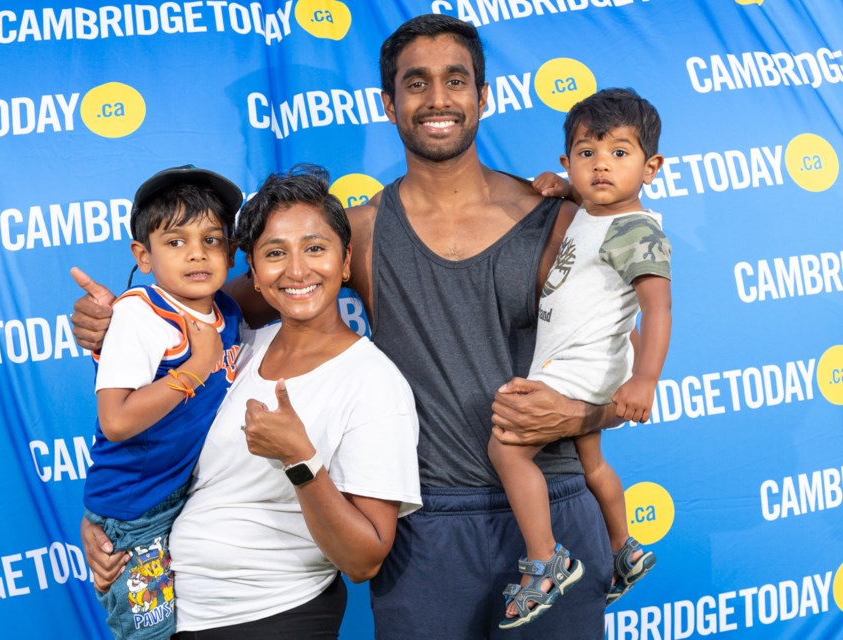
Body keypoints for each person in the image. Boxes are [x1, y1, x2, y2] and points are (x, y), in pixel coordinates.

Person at [72, 14, 620, 640]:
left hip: (549, 515)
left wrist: (579, 418)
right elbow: (204, 304)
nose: (437, 99)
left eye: (455, 80)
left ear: (483, 96)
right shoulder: (354, 231)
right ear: (389, 102)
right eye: (416, 83)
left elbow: (620, 366)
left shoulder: (554, 218)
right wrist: (116, 320)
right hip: (427, 528)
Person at [77, 166, 422, 639]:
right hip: (183, 610)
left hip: (271, 616)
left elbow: (364, 559)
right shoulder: (236, 346)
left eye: (315, 248)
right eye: (276, 253)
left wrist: (299, 460)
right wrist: (112, 521)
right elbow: (161, 444)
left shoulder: (373, 383)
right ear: (254, 274)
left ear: (345, 264)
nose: (297, 270)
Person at [488, 88, 671, 628]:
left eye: (620, 153)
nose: (602, 166)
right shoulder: (594, 211)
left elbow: (657, 311)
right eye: (587, 154)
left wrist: (645, 380)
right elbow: (586, 201)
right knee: (592, 463)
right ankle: (624, 549)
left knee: (507, 451)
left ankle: (546, 561)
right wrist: (561, 187)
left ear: (651, 166)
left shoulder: (636, 229)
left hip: (581, 369)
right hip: (586, 364)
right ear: (569, 161)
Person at [79, 165, 244, 640]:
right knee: (152, 635)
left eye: (211, 240)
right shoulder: (139, 315)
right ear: (143, 255)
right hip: (136, 510)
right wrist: (196, 367)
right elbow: (115, 421)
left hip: (184, 497)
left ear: (231, 252)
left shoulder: (225, 309)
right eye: (175, 242)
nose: (196, 253)